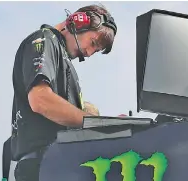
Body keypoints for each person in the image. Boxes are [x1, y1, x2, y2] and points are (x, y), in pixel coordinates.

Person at [10, 4, 117, 181]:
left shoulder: (63, 60)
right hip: (43, 166)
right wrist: (94, 123)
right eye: (93, 43)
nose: (89, 53)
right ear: (78, 22)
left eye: (95, 51)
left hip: (57, 165)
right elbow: (40, 100)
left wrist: (99, 119)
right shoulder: (43, 40)